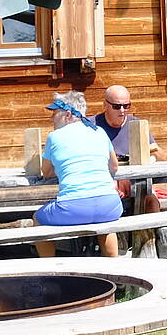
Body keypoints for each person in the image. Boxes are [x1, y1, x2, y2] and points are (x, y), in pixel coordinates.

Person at [32, 92, 122, 257]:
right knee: (106, 224)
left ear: (67, 115)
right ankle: (115, 267)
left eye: (54, 113)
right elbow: (114, 167)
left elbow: (46, 172)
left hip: (72, 207)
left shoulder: (54, 137)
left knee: (37, 218)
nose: (52, 118)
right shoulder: (100, 132)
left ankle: (49, 270)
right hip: (110, 205)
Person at [93, 85, 162, 163]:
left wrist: (153, 154)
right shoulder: (90, 126)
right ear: (105, 105)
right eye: (116, 106)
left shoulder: (137, 125)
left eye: (126, 106)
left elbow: (161, 156)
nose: (122, 110)